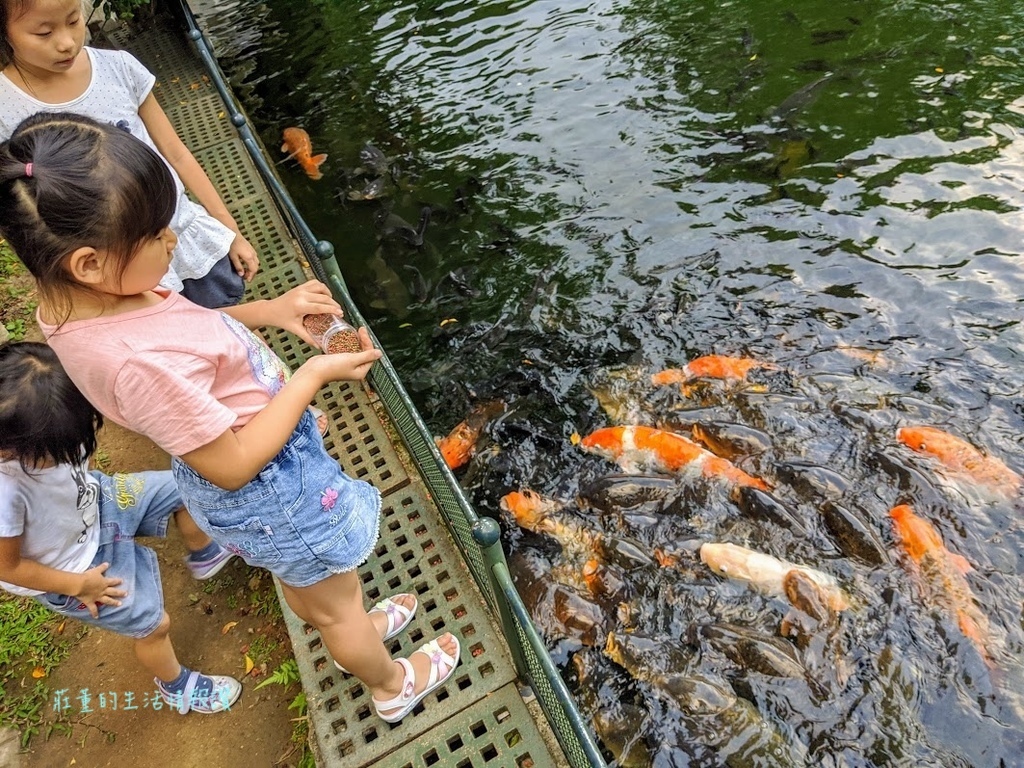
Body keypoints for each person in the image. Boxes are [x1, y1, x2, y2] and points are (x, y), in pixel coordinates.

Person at [0, 112, 462, 723]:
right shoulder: (135, 365)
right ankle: (389, 682)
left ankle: (345, 623)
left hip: (255, 487)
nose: (174, 243)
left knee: (313, 587)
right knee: (338, 597)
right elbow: (235, 465)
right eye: (158, 236)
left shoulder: (79, 306)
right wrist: (309, 378)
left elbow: (186, 336)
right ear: (89, 262)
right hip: (270, 488)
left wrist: (269, 310)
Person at [0, 341, 242, 714]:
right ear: (10, 449)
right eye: (59, 451)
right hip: (76, 570)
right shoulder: (6, 492)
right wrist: (78, 586)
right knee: (152, 623)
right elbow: (7, 567)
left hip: (99, 503)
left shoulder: (53, 418)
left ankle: (206, 554)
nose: (75, 450)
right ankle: (176, 686)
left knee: (187, 484)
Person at [0, 0, 259, 308]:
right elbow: (23, 214)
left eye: (73, 21)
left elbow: (176, 153)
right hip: (121, 273)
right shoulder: (5, 108)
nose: (67, 43)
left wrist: (230, 230)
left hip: (181, 231)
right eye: (44, 33)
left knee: (235, 321)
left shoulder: (118, 68)